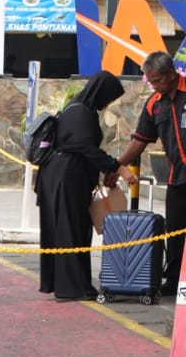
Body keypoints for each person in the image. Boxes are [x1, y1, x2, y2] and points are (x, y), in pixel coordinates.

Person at [115, 50, 186, 298]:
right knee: (176, 228)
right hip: (177, 176)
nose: (154, 85)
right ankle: (175, 277)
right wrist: (116, 165)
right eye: (150, 81)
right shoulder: (154, 104)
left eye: (157, 80)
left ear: (171, 73)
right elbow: (140, 140)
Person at [37, 70, 125, 302]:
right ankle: (73, 287)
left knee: (67, 230)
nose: (108, 103)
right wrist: (116, 167)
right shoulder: (82, 112)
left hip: (59, 177)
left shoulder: (76, 109)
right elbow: (85, 147)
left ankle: (69, 284)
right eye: (109, 97)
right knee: (71, 231)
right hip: (67, 178)